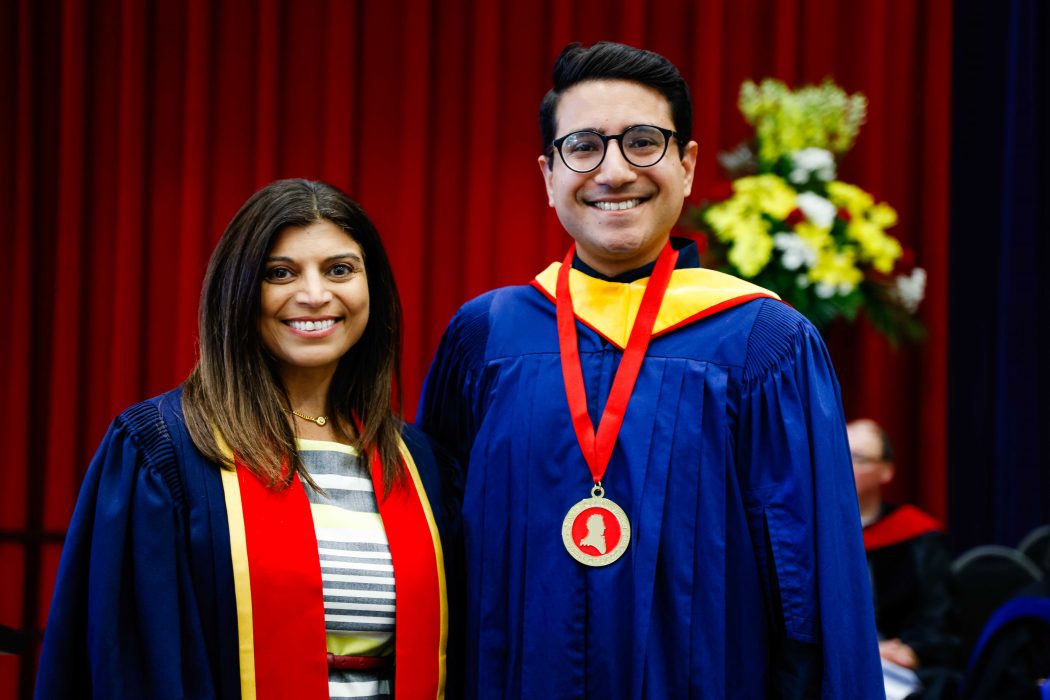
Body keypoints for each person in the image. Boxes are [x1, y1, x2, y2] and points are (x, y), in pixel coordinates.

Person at [418, 41, 883, 698]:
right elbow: (435, 554)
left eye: (643, 142)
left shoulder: (764, 344)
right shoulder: (486, 337)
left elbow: (812, 585)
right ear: (549, 173)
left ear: (687, 165)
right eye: (583, 147)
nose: (613, 171)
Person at [36, 179, 458, 698]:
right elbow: (133, 666)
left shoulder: (417, 464)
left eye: (340, 270)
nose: (314, 295)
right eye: (279, 273)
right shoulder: (164, 451)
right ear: (237, 290)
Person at [848, 418, 960, 696]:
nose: (844, 465)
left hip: (902, 673)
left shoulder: (916, 537)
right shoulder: (810, 537)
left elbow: (938, 616)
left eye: (857, 457)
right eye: (838, 453)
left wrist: (913, 650)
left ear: (886, 471)